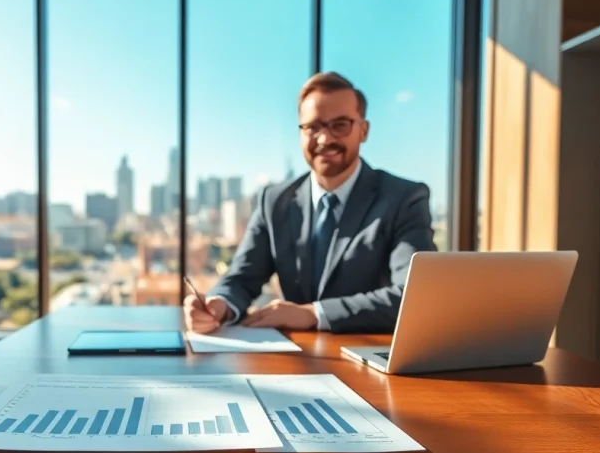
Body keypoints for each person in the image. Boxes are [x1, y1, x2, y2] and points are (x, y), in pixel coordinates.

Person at [185, 71, 437, 335]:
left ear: (363, 130)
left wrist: (314, 314)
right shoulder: (274, 201)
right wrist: (219, 306)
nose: (325, 139)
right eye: (313, 127)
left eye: (340, 125)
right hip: (294, 361)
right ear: (301, 132)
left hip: (370, 360)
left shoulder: (403, 198)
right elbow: (241, 278)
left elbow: (413, 297)